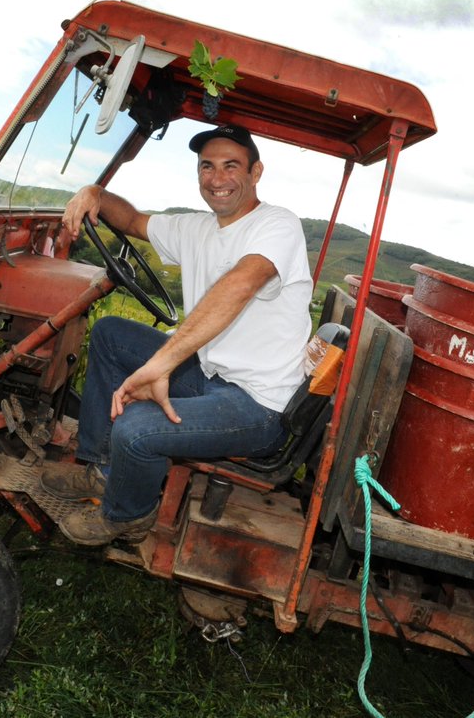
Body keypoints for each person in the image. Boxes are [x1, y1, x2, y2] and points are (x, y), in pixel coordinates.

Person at [42, 124, 313, 545]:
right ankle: (102, 470)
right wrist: (94, 192)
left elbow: (241, 283)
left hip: (258, 404)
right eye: (207, 166)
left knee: (136, 428)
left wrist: (163, 363)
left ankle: (127, 516)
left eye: (231, 166)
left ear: (256, 172)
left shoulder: (277, 225)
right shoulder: (197, 228)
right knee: (112, 333)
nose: (217, 178)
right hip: (209, 375)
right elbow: (130, 219)